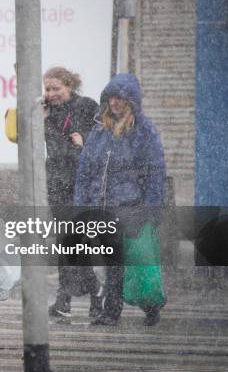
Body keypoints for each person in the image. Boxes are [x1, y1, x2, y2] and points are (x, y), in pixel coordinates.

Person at [74, 73, 166, 326]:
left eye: (120, 98)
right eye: (111, 98)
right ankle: (111, 311)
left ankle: (151, 305)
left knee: (139, 261)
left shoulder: (144, 131)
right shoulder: (99, 130)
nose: (114, 103)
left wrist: (152, 208)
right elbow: (85, 171)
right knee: (112, 264)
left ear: (131, 100)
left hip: (132, 207)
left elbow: (155, 172)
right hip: (104, 208)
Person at [42, 67, 102, 322]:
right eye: (48, 89)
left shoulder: (87, 106)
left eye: (56, 88)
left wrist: (85, 141)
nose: (51, 93)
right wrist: (41, 116)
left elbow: (104, 138)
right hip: (57, 183)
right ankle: (76, 296)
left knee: (74, 242)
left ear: (70, 86)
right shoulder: (46, 111)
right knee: (66, 242)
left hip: (80, 183)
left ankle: (83, 293)